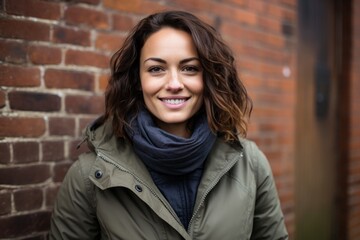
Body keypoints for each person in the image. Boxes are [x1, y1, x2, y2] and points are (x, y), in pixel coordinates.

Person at [49, 10, 288, 240]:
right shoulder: (88, 176)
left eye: (189, 68)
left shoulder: (250, 164)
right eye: (156, 69)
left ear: (209, 79)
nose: (174, 83)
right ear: (137, 80)